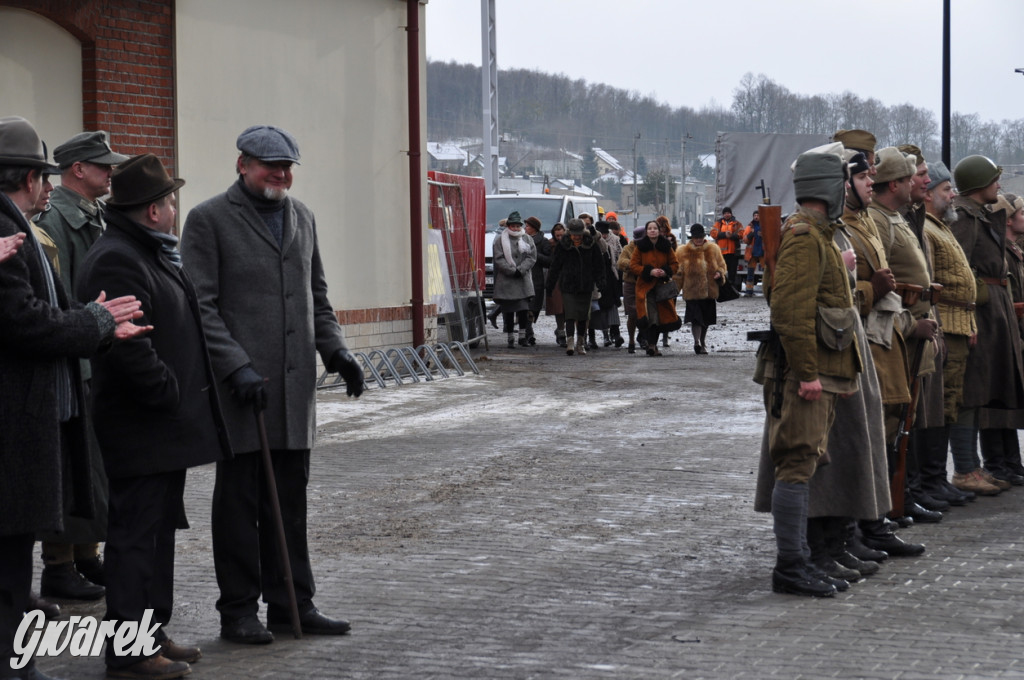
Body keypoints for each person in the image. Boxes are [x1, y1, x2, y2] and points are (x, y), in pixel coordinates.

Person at [180, 125, 365, 645]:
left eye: (287, 168)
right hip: (243, 393)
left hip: (293, 392)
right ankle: (238, 610)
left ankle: (292, 605)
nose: (281, 176)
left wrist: (337, 352)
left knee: (290, 504)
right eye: (270, 167)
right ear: (243, 164)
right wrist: (235, 366)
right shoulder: (208, 220)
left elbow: (317, 296)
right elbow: (202, 306)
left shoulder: (301, 216)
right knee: (239, 506)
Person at [0, 115, 147, 680]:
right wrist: (95, 320)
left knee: (13, 550)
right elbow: (28, 324)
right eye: (42, 175)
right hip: (15, 417)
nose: (46, 185)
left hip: (29, 412)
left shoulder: (18, 223)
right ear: (31, 178)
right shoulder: (6, 225)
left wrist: (100, 327)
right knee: (10, 556)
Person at [77, 154, 231, 680]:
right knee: (135, 538)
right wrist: (168, 393)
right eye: (168, 199)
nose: (173, 206)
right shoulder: (118, 258)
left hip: (162, 429)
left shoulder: (149, 251)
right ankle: (129, 651)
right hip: (140, 426)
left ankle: (151, 632)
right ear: (151, 211)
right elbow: (128, 346)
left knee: (157, 533)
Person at [33, 130, 131, 602]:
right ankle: (60, 563)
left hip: (99, 355)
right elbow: (63, 298)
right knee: (73, 466)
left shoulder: (95, 217)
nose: (110, 172)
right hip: (77, 362)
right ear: (77, 169)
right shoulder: (54, 221)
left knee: (97, 466)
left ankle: (87, 553)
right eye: (102, 165)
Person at [761, 149, 862, 597]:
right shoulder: (805, 236)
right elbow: (790, 311)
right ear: (826, 188)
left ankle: (802, 561)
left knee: (806, 461)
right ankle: (791, 567)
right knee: (796, 463)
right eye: (841, 185)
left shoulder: (821, 236)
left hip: (825, 367)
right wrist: (806, 374)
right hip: (808, 372)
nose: (847, 192)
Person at [949, 155, 1024, 496]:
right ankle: (969, 467)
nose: (999, 185)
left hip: (993, 309)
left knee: (988, 388)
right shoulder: (964, 218)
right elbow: (958, 269)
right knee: (973, 390)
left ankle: (984, 465)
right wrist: (971, 313)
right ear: (979, 183)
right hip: (980, 312)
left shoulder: (978, 214)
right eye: (994, 179)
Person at [918, 161, 981, 502]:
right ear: (928, 195)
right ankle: (930, 479)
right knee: (939, 405)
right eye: (946, 190)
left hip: (958, 326)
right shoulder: (928, 229)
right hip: (945, 326)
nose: (952, 195)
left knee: (950, 402)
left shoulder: (940, 226)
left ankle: (935, 478)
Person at [976, 193, 1024, 487]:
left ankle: (1010, 460)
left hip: (1012, 326)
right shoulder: (1002, 252)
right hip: (1001, 324)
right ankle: (996, 462)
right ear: (1008, 219)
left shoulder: (1014, 250)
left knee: (1009, 397)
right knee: (994, 397)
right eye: (1021, 212)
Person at [545, 218, 605, 356]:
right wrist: (550, 286)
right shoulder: (563, 246)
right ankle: (570, 341)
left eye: (579, 234)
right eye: (574, 234)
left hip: (586, 284)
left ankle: (580, 343)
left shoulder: (591, 245)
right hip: (568, 284)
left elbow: (599, 265)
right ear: (569, 233)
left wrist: (601, 282)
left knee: (583, 315)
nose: (576, 236)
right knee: (570, 314)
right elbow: (555, 267)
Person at [628, 220, 682, 357]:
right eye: (650, 228)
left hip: (662, 288)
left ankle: (652, 345)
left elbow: (675, 264)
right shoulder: (640, 247)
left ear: (659, 231)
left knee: (661, 318)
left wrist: (666, 271)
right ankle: (651, 345)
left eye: (655, 228)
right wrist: (649, 271)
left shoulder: (666, 246)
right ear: (646, 231)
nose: (652, 231)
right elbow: (633, 265)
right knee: (651, 317)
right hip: (645, 289)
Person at [675, 224, 726, 355]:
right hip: (692, 292)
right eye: (696, 237)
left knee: (706, 320)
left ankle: (703, 342)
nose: (698, 240)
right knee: (696, 319)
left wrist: (719, 273)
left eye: (701, 237)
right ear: (692, 238)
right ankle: (697, 342)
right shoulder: (682, 251)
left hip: (709, 291)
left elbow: (722, 266)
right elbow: (678, 273)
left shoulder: (713, 249)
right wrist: (675, 289)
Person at [491, 211, 537, 348]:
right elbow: (498, 258)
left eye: (518, 226)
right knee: (508, 311)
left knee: (523, 309)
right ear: (508, 226)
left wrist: (521, 269)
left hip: (522, 280)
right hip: (507, 281)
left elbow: (532, 257)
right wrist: (511, 271)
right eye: (513, 226)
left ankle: (522, 337)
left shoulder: (527, 239)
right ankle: (510, 337)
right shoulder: (500, 240)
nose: (516, 228)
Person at [617, 225, 646, 353]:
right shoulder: (628, 248)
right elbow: (620, 262)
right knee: (632, 314)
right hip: (631, 283)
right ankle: (631, 340)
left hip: (646, 283)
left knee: (646, 312)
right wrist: (634, 266)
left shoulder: (650, 247)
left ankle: (643, 337)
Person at [524, 215, 549, 345]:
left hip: (537, 279)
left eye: (527, 226)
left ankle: (528, 330)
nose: (525, 228)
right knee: (526, 307)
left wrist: (534, 254)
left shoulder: (543, 241)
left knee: (535, 308)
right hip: (523, 278)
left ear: (534, 228)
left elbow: (549, 261)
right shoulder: (521, 240)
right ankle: (528, 333)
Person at [545, 223, 567, 347]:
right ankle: (561, 331)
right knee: (559, 307)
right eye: (557, 234)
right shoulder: (550, 244)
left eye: (561, 234)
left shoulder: (569, 244)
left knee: (568, 307)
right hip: (555, 278)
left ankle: (563, 332)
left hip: (567, 277)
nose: (559, 237)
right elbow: (547, 259)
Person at [710, 206, 742, 286]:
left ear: (731, 214)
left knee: (733, 271)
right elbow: (713, 233)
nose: (727, 215)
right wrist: (724, 234)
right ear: (723, 214)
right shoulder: (718, 223)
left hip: (733, 252)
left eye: (728, 213)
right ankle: (722, 286)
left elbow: (741, 234)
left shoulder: (737, 223)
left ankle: (732, 286)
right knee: (721, 270)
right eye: (725, 213)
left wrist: (731, 235)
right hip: (721, 253)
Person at [742, 211, 764, 296]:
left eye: (758, 215)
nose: (756, 217)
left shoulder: (765, 226)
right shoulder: (750, 226)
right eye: (755, 215)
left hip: (763, 253)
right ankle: (749, 291)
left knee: (766, 274)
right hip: (752, 254)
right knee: (750, 273)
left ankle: (768, 291)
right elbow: (745, 239)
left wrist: (763, 235)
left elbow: (771, 238)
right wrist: (752, 234)